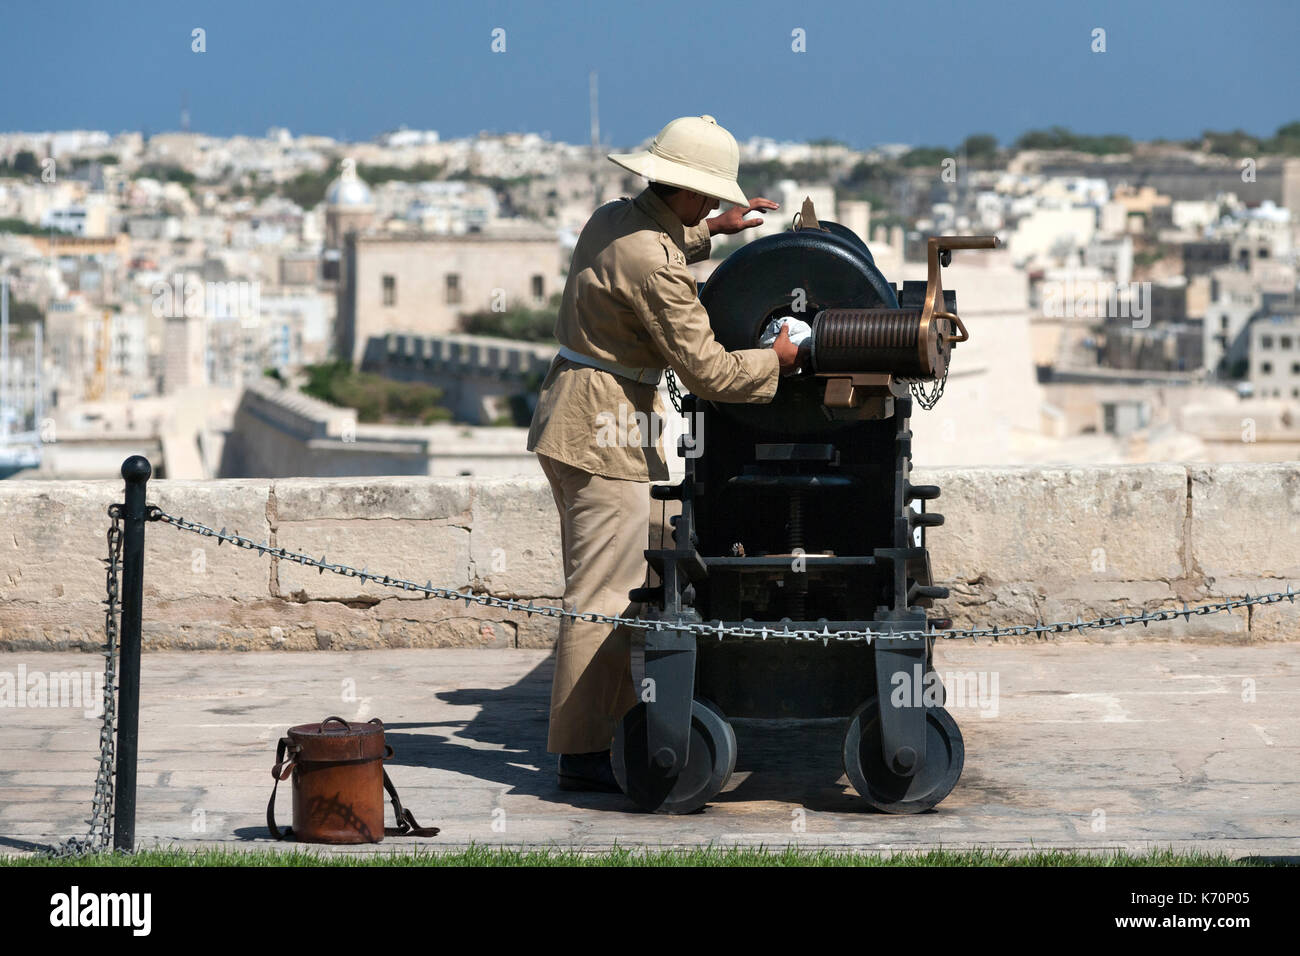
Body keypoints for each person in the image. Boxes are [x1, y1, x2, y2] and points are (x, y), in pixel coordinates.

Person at [526, 114, 802, 792]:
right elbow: (707, 370)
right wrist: (778, 359)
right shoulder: (655, 262)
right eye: (706, 198)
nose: (711, 206)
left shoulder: (610, 220)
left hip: (573, 412)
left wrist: (716, 232)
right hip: (605, 429)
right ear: (682, 188)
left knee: (625, 587)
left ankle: (619, 724)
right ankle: (584, 755)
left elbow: (657, 244)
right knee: (605, 596)